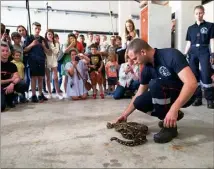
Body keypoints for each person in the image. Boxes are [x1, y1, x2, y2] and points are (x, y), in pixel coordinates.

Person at [113, 39, 197, 143]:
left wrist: (174, 108)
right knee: (139, 102)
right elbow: (139, 93)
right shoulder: (147, 68)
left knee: (155, 84)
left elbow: (192, 83)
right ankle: (168, 118)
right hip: (168, 93)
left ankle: (170, 128)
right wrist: (125, 115)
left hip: (187, 95)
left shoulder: (171, 55)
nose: (134, 62)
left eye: (135, 59)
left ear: (143, 52)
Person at [184, 5, 214, 109]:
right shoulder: (190, 28)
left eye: (200, 13)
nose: (198, 15)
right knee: (194, 75)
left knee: (206, 73)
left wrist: (213, 53)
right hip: (192, 52)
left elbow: (212, 41)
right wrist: (184, 54)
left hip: (204, 51)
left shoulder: (210, 26)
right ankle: (198, 98)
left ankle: (210, 99)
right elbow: (188, 42)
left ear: (203, 13)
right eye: (196, 13)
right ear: (194, 14)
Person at [24, 22, 49, 103]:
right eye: (36, 28)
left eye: (39, 29)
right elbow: (24, 50)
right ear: (33, 28)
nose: (37, 30)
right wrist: (32, 44)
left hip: (41, 60)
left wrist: (43, 46)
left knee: (41, 78)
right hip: (32, 60)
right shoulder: (29, 38)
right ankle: (34, 95)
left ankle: (40, 94)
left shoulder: (43, 39)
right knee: (33, 78)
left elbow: (48, 52)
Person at [1, 43, 28, 111]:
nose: (5, 53)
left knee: (23, 84)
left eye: (7, 51)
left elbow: (17, 78)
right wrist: (11, 80)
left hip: (9, 87)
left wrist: (12, 84)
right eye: (3, 51)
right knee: (1, 107)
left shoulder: (12, 65)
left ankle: (11, 96)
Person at [44, 29, 64, 100]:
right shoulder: (44, 42)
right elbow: (46, 51)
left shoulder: (56, 43)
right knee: (47, 78)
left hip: (54, 61)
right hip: (46, 61)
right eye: (48, 34)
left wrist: (51, 44)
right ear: (46, 35)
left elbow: (55, 52)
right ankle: (49, 93)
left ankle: (58, 93)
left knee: (55, 78)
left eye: (51, 34)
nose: (50, 35)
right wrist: (47, 45)